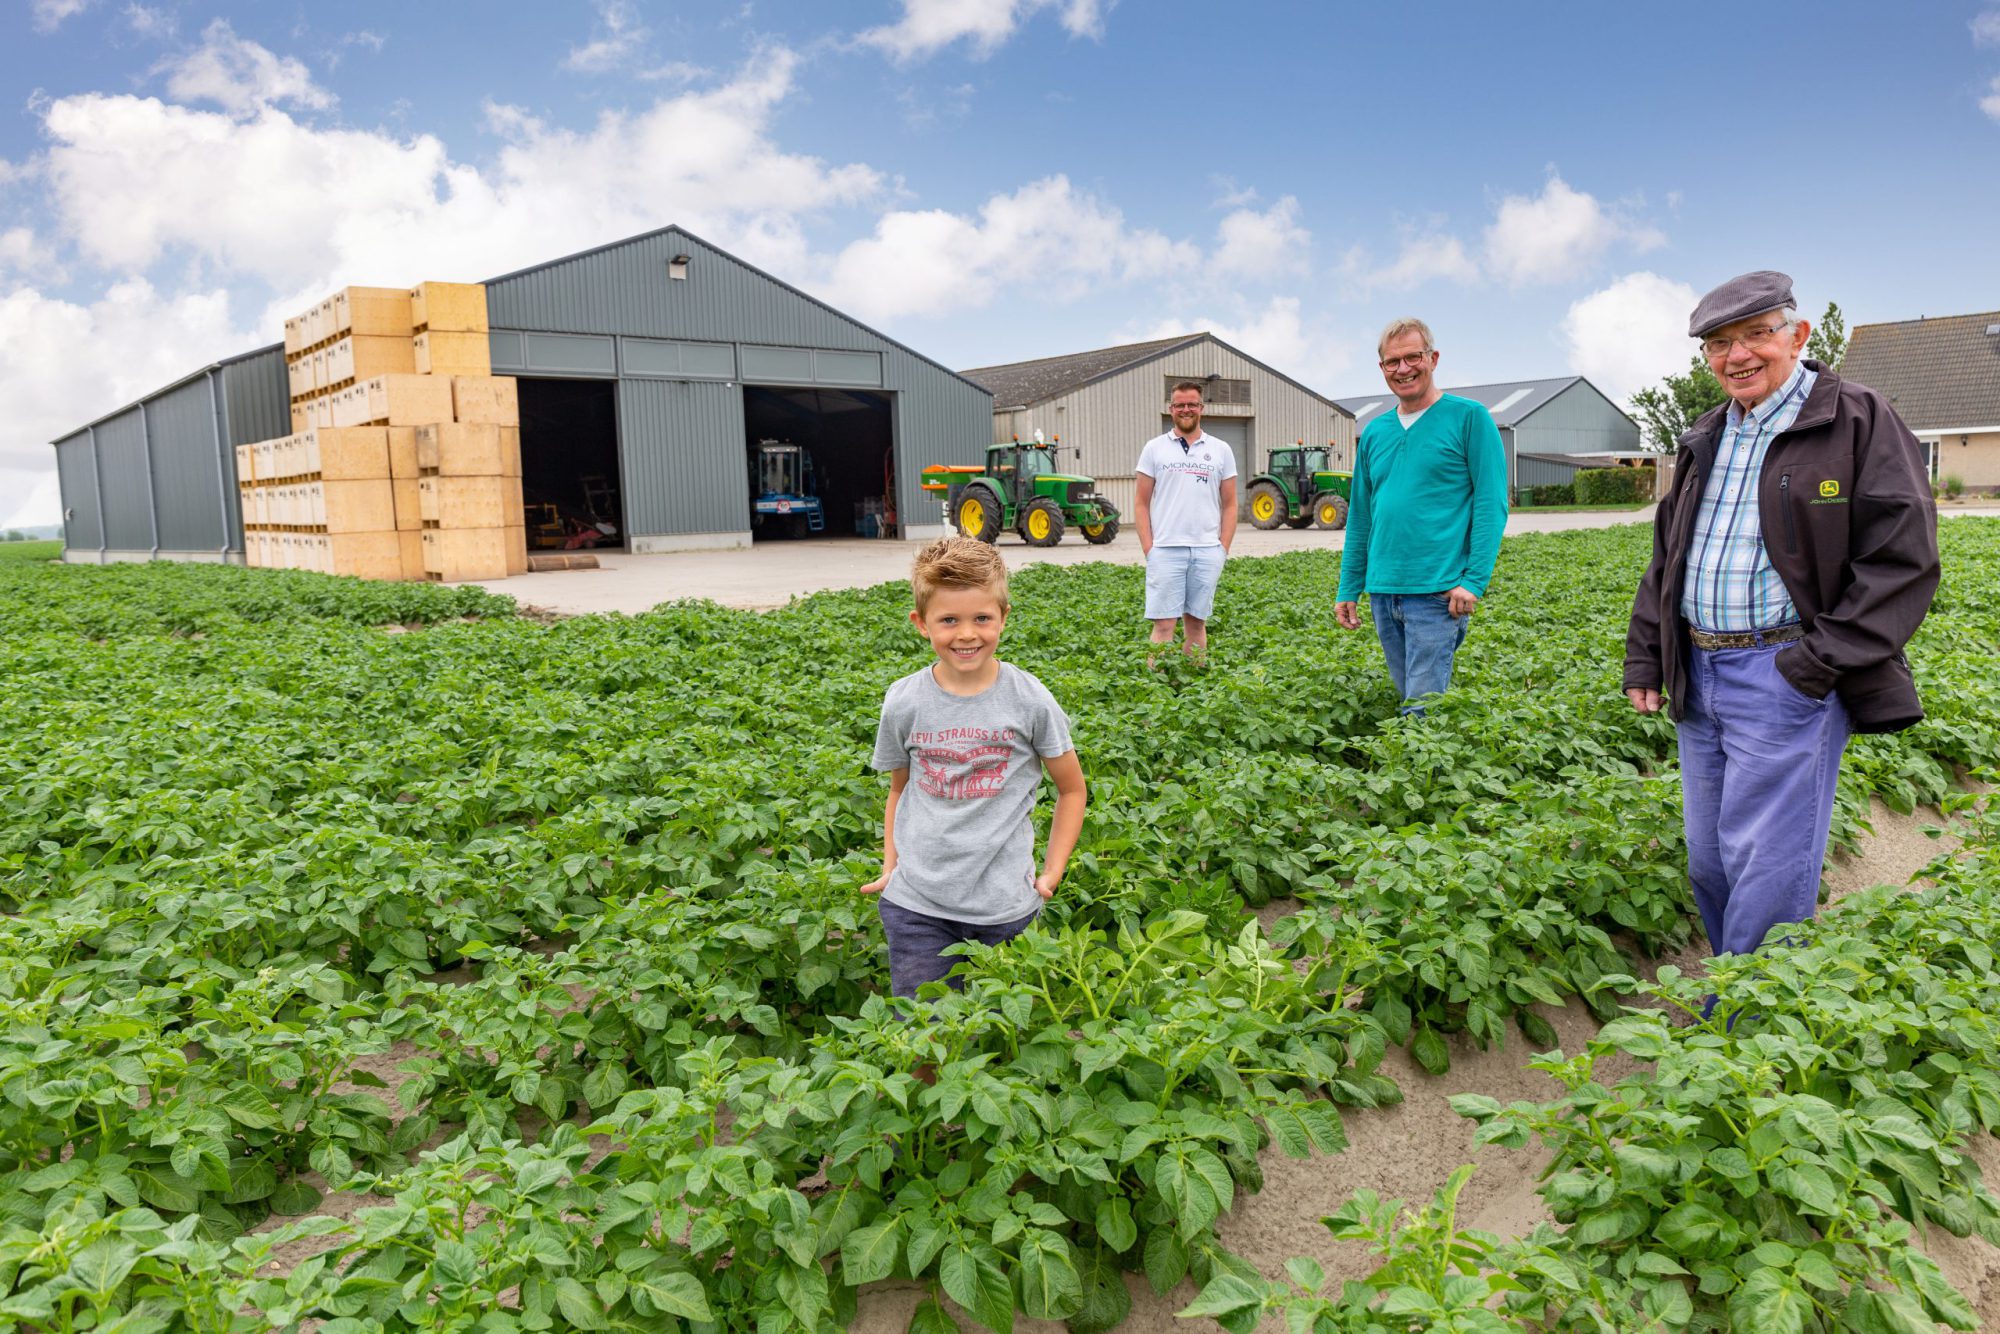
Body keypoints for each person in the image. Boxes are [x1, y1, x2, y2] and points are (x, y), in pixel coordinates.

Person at [1624, 270, 1939, 968]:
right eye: (1719, 343)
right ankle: (1738, 989)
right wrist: (1648, 656)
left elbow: (1903, 556)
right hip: (1697, 672)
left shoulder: (1856, 418)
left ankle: (1744, 1014)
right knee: (1710, 858)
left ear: (1797, 335)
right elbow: (1668, 557)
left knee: (1767, 864)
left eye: (1755, 335)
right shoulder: (1708, 433)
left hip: (1784, 672)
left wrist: (1816, 663)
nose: (1737, 355)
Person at [862, 537, 1087, 997]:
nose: (966, 634)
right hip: (917, 906)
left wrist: (1052, 872)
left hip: (1005, 907)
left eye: (982, 618)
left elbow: (1072, 789)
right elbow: (900, 789)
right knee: (923, 1025)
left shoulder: (1030, 700)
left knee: (1004, 1023)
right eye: (949, 620)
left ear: (1004, 617)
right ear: (921, 623)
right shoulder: (904, 701)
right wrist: (890, 865)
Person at [1335, 318, 1507, 713]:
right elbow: (1361, 517)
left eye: (1413, 357)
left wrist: (1474, 581)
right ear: (1382, 368)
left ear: (1433, 358)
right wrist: (1349, 587)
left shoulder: (1469, 418)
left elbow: (1491, 503)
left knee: (1421, 711)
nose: (1403, 369)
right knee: (1411, 700)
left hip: (1437, 591)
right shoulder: (1374, 432)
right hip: (1383, 589)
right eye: (1392, 362)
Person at [1134, 381, 1237, 657]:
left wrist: (1222, 549)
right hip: (1166, 550)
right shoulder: (1154, 448)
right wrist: (1150, 549)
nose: (1186, 409)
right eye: (1180, 405)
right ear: (1171, 409)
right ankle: (1159, 682)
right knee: (1164, 625)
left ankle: (1195, 678)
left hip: (1207, 550)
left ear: (1201, 408)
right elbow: (1141, 503)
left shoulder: (1221, 449)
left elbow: (1230, 504)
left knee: (1196, 623)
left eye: (1192, 404)